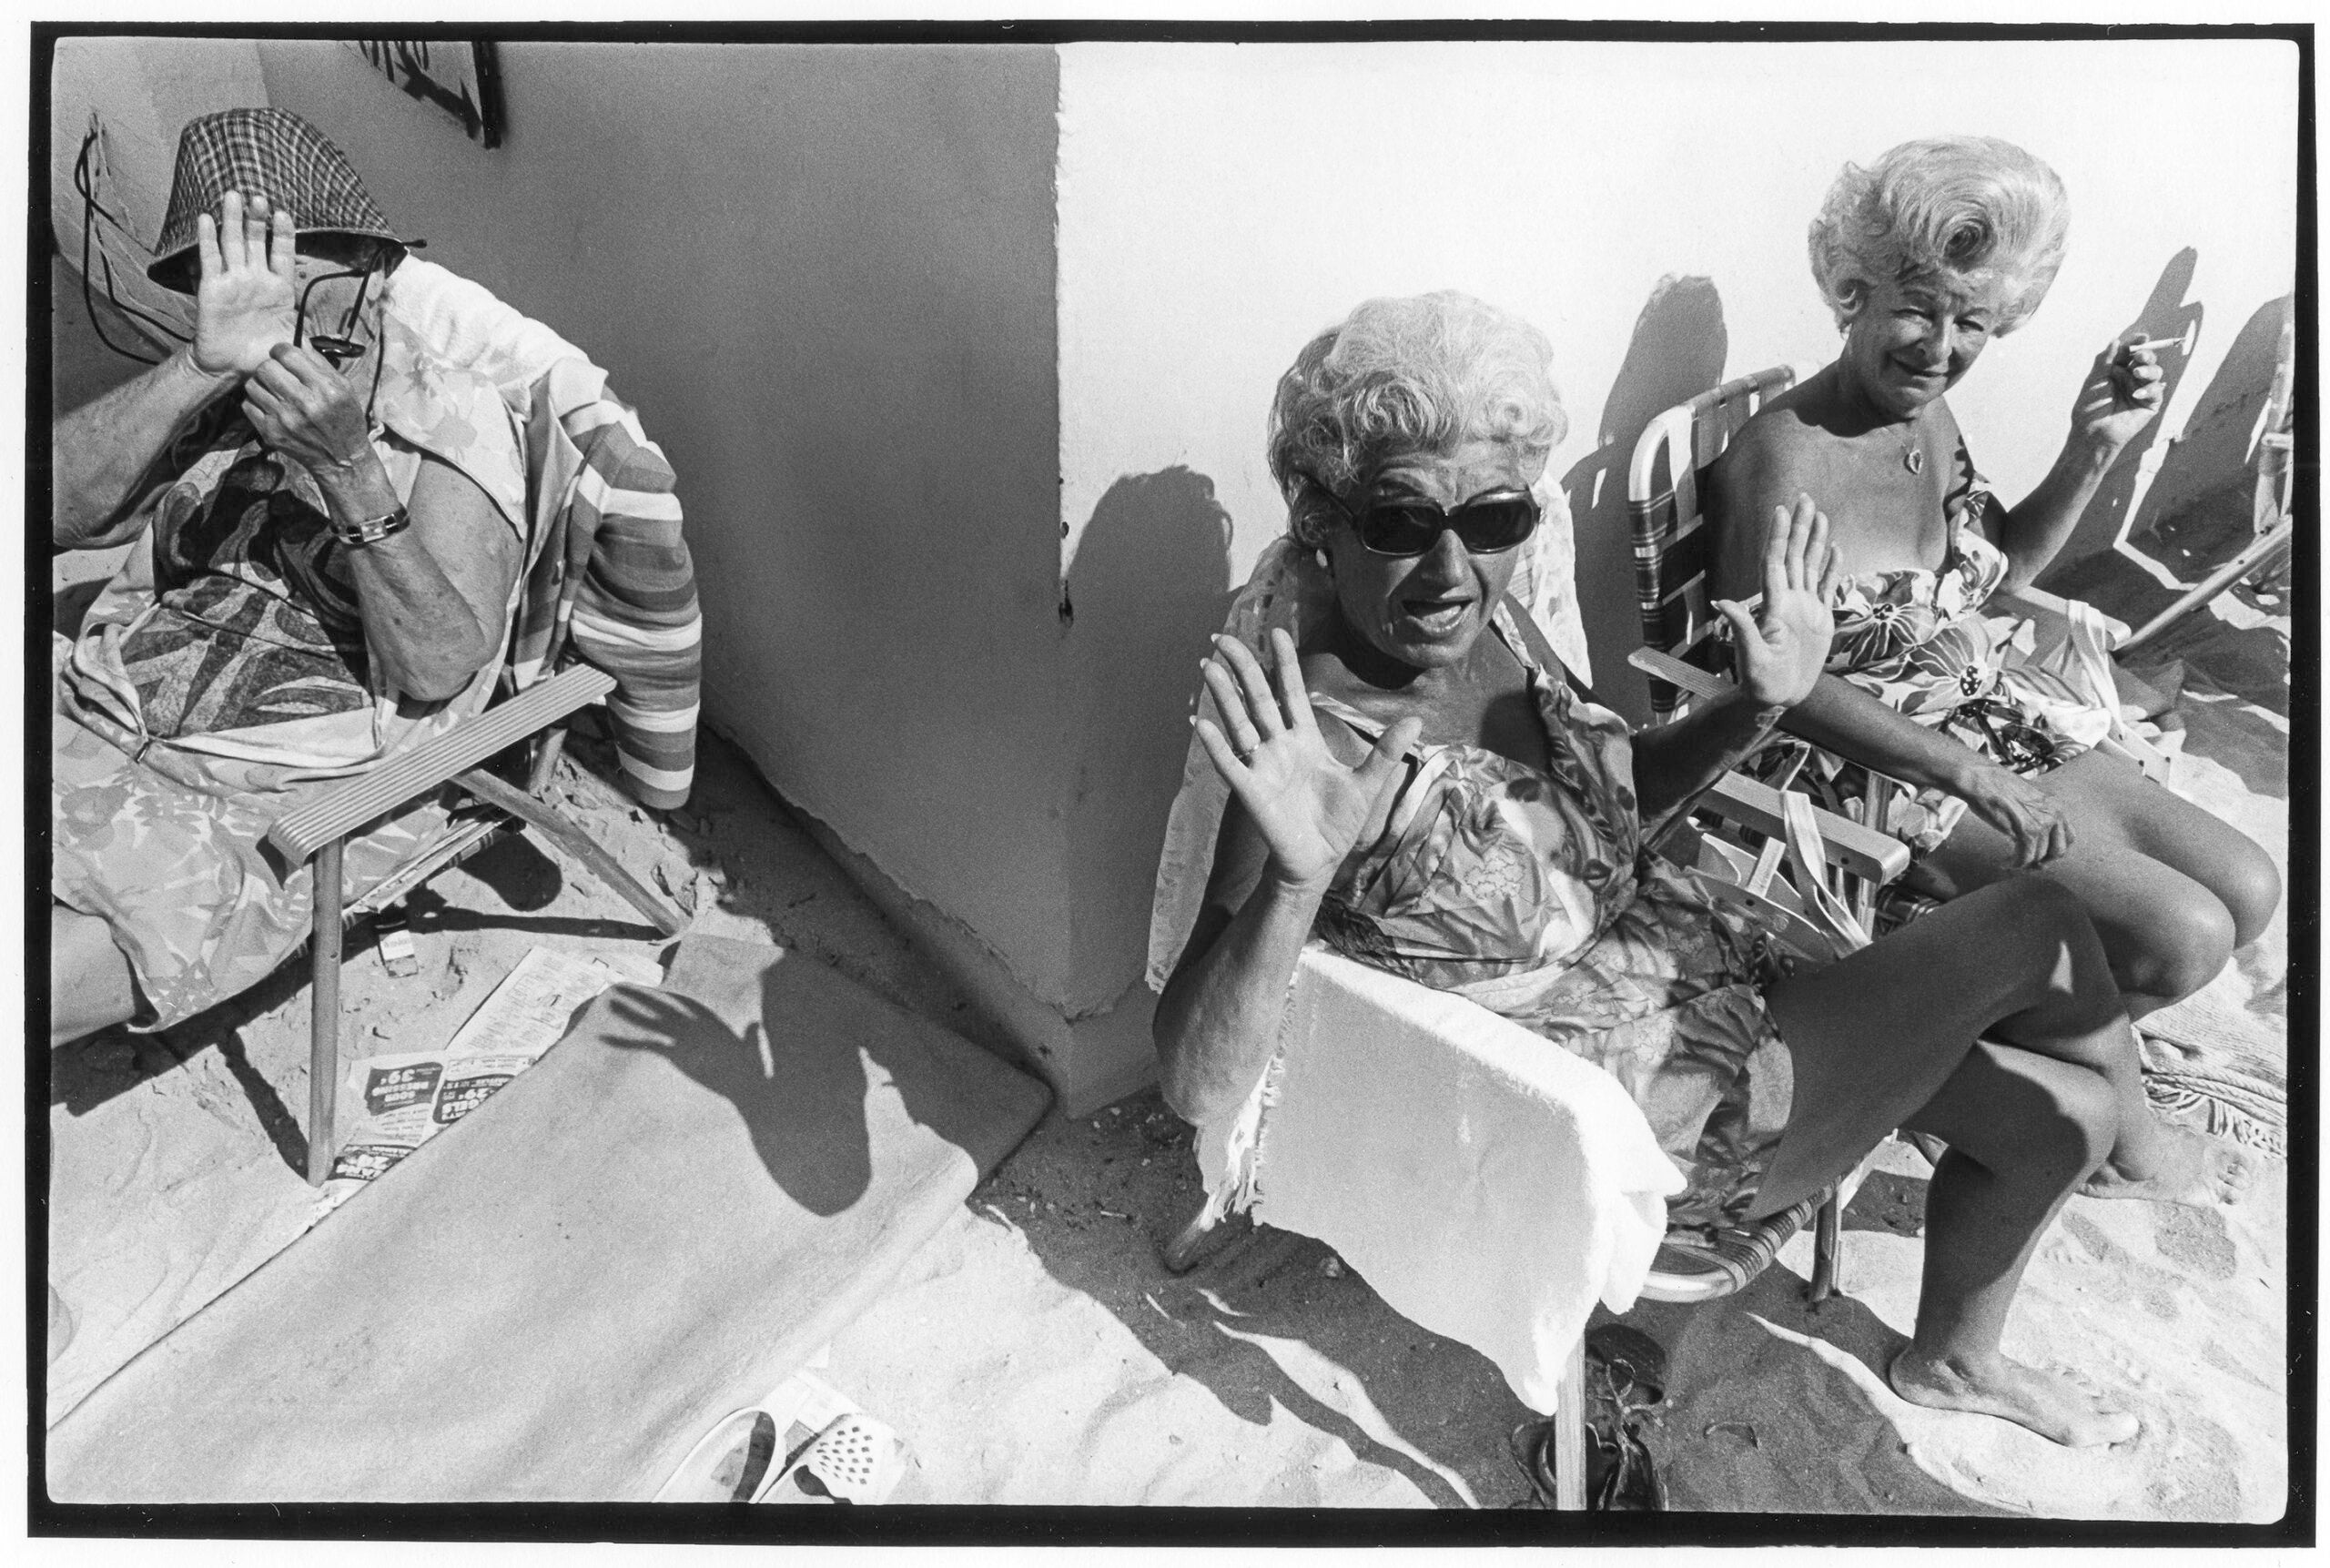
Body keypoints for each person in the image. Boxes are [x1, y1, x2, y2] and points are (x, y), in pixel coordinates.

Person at [1153, 291, 2253, 1449]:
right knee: (2034, 921)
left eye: (1490, 517)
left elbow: (1614, 802)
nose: (1447, 564)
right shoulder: (1315, 738)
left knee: (2059, 1118)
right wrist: (1290, 886)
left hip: (1724, 988)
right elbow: (1193, 1079)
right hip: (1645, 1129)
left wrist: (1756, 705)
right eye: (1396, 521)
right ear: (1323, 519)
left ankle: (1953, 1358)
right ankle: (2137, 1133)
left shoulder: (1495, 633)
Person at [1708, 136, 2279, 1019]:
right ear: (1853, 289)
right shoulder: (1783, 463)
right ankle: (1974, 1050)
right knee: (2183, 937)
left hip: (1984, 718)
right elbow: (1783, 685)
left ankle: (2044, 1014)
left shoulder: (1924, 416)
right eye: (1919, 309)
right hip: (1857, 768)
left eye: (1972, 321)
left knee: (2248, 888)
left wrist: (2094, 446)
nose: (1940, 348)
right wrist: (1971, 777)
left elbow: (1994, 567)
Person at [51, 108, 530, 1047]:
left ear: (365, 265)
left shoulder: (451, 412)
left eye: (276, 267)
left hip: (263, 796)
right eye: (216, 273)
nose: (247, 296)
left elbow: (440, 666)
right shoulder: (220, 373)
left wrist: (351, 471)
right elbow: (58, 513)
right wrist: (198, 365)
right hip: (100, 703)